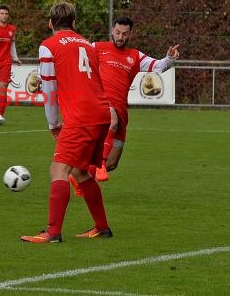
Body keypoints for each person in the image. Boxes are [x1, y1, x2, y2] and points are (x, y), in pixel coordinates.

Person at [21, 1, 117, 244]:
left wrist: (53, 123)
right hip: (101, 113)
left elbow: (49, 88)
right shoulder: (88, 44)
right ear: (74, 23)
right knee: (80, 171)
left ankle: (53, 232)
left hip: (80, 117)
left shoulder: (48, 46)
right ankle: (102, 227)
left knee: (59, 170)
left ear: (50, 23)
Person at [69, 16, 180, 196]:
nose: (120, 37)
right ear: (112, 30)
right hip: (100, 102)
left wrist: (169, 58)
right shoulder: (97, 47)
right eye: (118, 33)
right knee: (111, 124)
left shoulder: (135, 56)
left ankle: (81, 175)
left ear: (130, 34)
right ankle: (100, 165)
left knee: (113, 162)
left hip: (121, 110)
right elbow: (77, 60)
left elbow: (158, 66)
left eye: (125, 34)